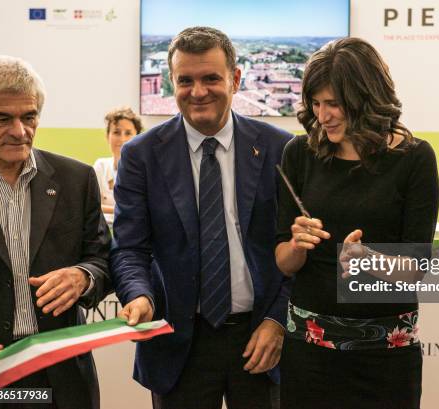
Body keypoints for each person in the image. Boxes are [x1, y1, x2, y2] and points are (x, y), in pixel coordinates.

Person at [110, 26, 293, 409]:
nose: (198, 92)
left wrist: (277, 321)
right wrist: (138, 295)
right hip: (177, 344)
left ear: (235, 79)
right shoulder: (140, 156)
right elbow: (129, 248)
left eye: (211, 78)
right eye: (185, 81)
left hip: (261, 340)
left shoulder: (280, 148)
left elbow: (298, 253)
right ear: (170, 83)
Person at [275, 37, 439, 409]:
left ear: (367, 98)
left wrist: (367, 259)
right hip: (308, 353)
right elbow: (284, 263)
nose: (323, 115)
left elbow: (418, 268)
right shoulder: (298, 154)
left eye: (334, 104)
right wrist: (297, 244)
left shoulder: (413, 158)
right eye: (315, 104)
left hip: (385, 357)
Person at [0, 55, 111, 409]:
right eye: (2, 118)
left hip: (62, 377)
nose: (20, 131)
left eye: (29, 117)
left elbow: (103, 258)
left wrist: (83, 276)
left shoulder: (76, 180)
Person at [93, 106, 143, 216]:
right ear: (107, 136)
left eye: (128, 133)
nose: (122, 139)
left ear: (138, 138)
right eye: (116, 132)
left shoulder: (145, 171)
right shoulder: (100, 167)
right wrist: (123, 210)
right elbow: (92, 206)